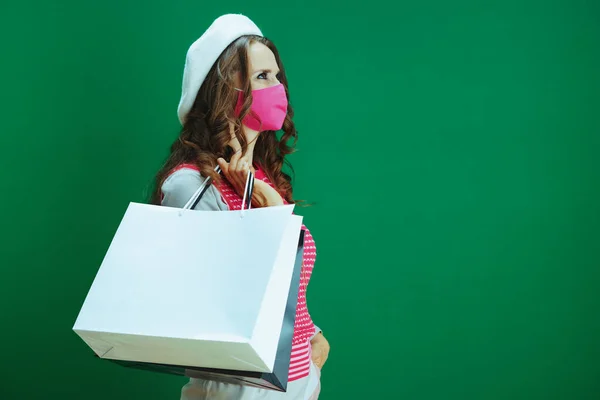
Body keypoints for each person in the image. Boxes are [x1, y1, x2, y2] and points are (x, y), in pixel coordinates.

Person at [149, 14, 330, 400]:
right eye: (262, 77)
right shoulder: (189, 184)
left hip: (298, 381)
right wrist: (273, 211)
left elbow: (288, 288)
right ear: (222, 90)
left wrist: (311, 335)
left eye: (277, 76)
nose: (278, 87)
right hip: (239, 387)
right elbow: (221, 303)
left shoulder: (262, 179)